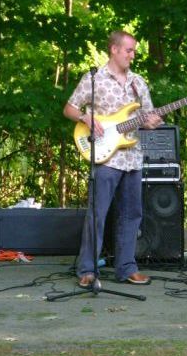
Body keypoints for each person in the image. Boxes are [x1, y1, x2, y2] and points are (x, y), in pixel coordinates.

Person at [63, 30, 162, 287]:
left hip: (132, 157)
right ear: (114, 50)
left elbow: (148, 116)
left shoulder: (138, 82)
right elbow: (69, 108)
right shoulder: (94, 79)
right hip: (105, 157)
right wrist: (86, 117)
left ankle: (126, 268)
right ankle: (87, 269)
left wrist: (152, 122)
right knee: (97, 214)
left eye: (134, 51)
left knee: (132, 216)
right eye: (129, 50)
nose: (133, 55)